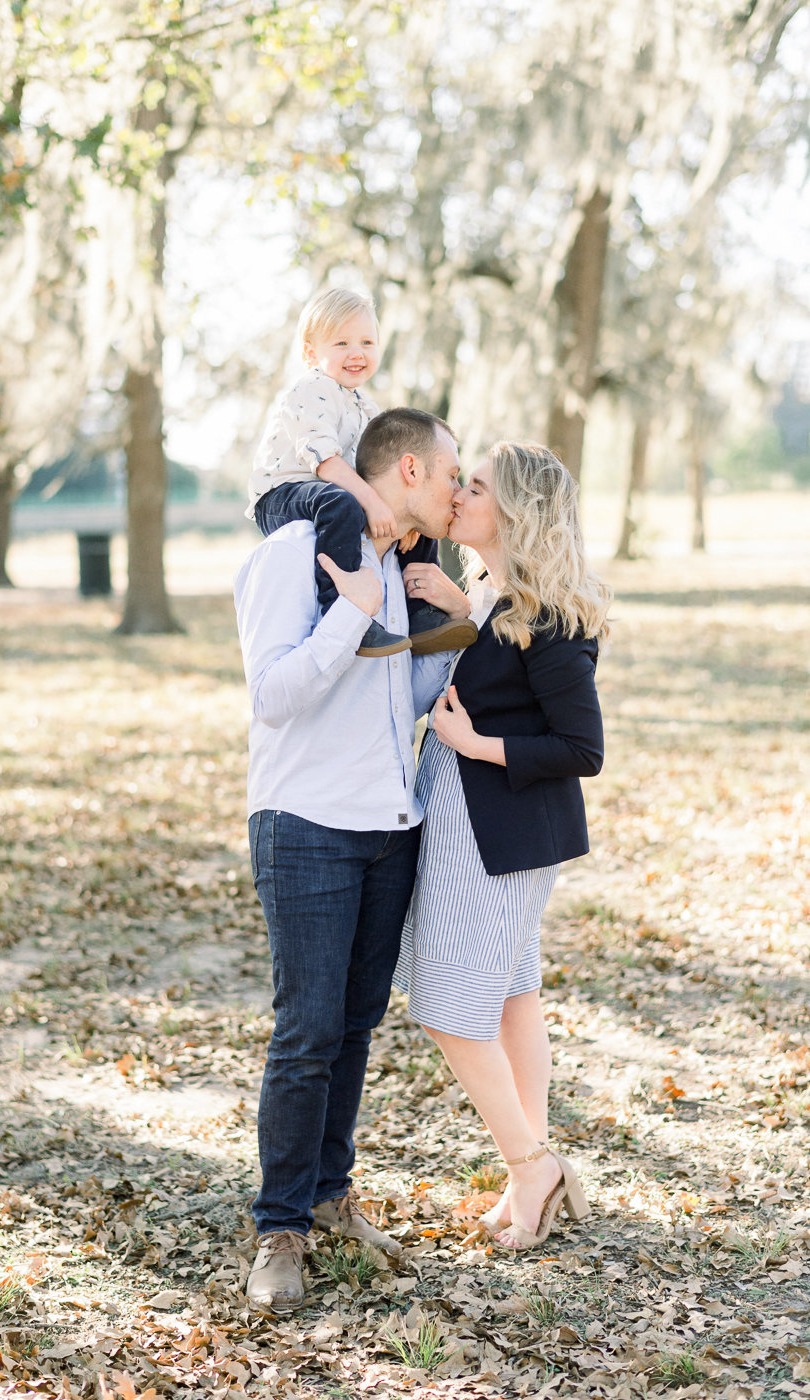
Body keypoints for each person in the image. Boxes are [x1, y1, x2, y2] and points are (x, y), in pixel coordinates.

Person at [234, 408, 474, 1313]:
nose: (459, 491)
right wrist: (357, 616)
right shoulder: (291, 552)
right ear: (408, 469)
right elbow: (275, 695)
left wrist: (454, 641)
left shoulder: (403, 566)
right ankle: (279, 1229)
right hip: (306, 823)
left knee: (356, 1024)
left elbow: (397, 691)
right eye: (452, 473)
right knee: (305, 1033)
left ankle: (330, 1197)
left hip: (389, 823)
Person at [394, 440, 612, 1252]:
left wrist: (474, 742)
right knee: (515, 1000)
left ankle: (531, 1166)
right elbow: (493, 658)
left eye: (474, 486)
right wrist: (461, 609)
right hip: (481, 826)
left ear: (513, 512)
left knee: (451, 1013)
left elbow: (581, 748)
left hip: (497, 836)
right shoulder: (496, 594)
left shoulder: (547, 613)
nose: (457, 494)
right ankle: (531, 1178)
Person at [247, 287, 477, 657]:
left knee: (419, 518)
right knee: (343, 506)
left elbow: (371, 470)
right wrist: (371, 501)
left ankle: (421, 615)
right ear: (311, 353)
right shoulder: (311, 389)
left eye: (367, 342)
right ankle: (339, 610)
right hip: (283, 492)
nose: (357, 353)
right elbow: (325, 462)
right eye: (341, 343)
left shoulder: (365, 405)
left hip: (327, 492)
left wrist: (405, 520)